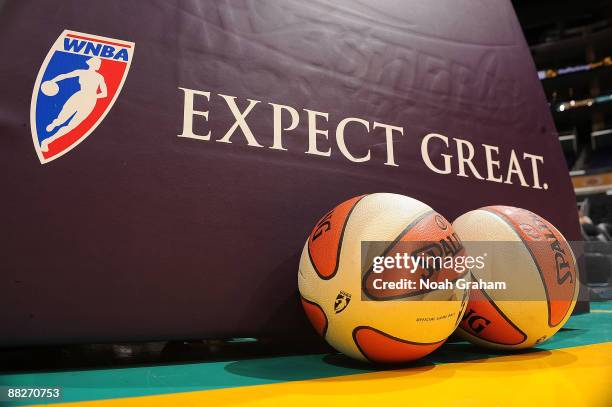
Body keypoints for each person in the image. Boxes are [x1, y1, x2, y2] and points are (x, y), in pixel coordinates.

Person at [41, 57, 107, 152]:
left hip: (90, 102)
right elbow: (65, 75)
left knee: (71, 126)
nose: (99, 65)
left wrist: (93, 96)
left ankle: (46, 142)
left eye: (99, 64)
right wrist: (53, 81)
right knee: (62, 119)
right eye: (98, 63)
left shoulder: (100, 77)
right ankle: (54, 123)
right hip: (78, 97)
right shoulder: (82, 72)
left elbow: (105, 94)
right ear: (91, 64)